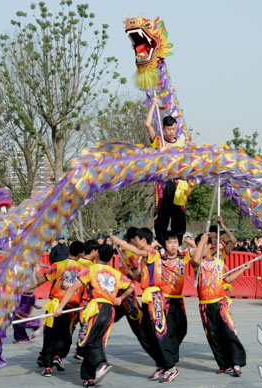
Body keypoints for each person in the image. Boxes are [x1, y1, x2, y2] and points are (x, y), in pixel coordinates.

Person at [54, 244, 135, 387]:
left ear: (96, 254)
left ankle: (101, 363)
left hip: (96, 309)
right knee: (96, 341)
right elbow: (132, 286)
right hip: (110, 310)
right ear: (111, 258)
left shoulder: (90, 271)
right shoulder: (116, 273)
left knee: (87, 342)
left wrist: (60, 307)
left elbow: (72, 289)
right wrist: (120, 299)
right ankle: (88, 377)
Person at [111, 228, 179, 383]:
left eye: (137, 239)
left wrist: (118, 241)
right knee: (148, 333)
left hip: (154, 296)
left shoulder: (151, 252)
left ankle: (171, 367)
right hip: (148, 296)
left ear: (143, 240)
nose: (135, 243)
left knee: (159, 332)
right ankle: (162, 364)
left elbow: (135, 250)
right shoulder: (146, 258)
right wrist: (130, 273)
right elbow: (140, 277)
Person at [192, 232, 250, 377]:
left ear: (211, 246)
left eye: (204, 244)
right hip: (205, 305)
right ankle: (224, 364)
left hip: (220, 303)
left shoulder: (219, 263)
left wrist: (242, 270)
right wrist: (201, 242)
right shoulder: (198, 265)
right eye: (200, 245)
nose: (201, 248)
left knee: (228, 332)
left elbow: (228, 280)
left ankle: (235, 363)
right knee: (212, 336)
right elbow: (195, 260)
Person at [35, 240, 86, 377]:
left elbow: (41, 280)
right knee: (65, 335)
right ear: (81, 254)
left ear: (68, 250)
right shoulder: (83, 270)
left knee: (50, 335)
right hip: (71, 307)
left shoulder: (57, 266)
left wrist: (36, 267)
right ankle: (58, 355)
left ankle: (47, 367)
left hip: (55, 305)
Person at [145, 96, 189, 247]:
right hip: (163, 184)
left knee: (179, 215)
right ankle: (162, 244)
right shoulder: (158, 141)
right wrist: (153, 105)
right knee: (162, 216)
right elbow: (147, 125)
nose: (172, 132)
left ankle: (178, 245)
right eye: (169, 129)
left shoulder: (181, 144)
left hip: (178, 183)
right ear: (163, 128)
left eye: (174, 129)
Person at [159, 231, 195, 369]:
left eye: (175, 242)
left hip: (178, 299)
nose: (173, 245)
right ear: (165, 244)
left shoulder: (183, 256)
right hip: (164, 299)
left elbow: (196, 250)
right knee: (168, 330)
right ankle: (169, 359)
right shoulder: (160, 257)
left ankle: (170, 351)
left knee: (182, 329)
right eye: (169, 242)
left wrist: (189, 241)